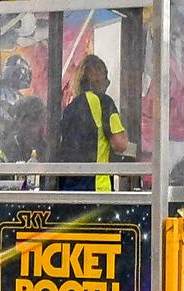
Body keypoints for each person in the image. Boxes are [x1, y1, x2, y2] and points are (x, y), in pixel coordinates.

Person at [48, 54, 130, 191]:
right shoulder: (104, 102)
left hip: (69, 188)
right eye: (106, 77)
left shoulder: (70, 108)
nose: (108, 83)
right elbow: (120, 144)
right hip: (96, 188)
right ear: (97, 78)